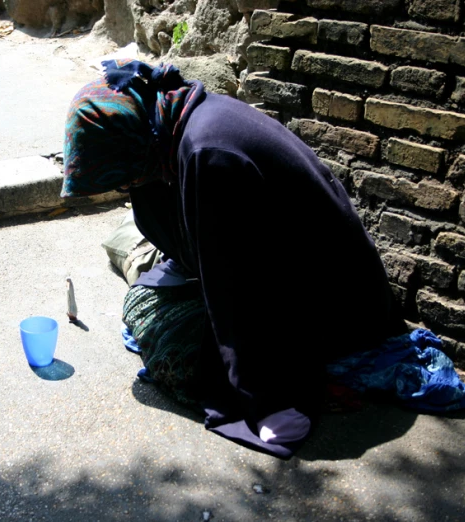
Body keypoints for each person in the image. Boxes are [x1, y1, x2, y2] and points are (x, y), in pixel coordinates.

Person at [60, 60, 405, 457]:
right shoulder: (180, 117)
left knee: (163, 336)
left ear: (136, 141)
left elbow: (234, 293)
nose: (125, 188)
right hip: (286, 272)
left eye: (124, 178)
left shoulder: (210, 156)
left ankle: (281, 384)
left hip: (338, 310)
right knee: (147, 290)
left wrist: (268, 403)